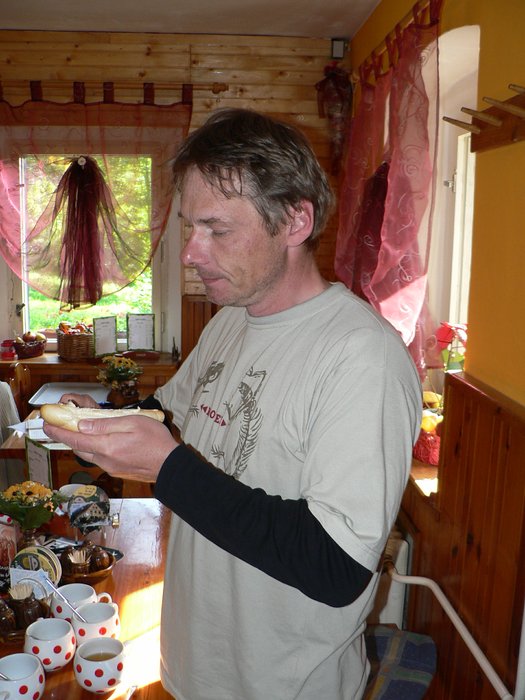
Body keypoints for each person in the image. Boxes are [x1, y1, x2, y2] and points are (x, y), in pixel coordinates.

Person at [44, 108, 422, 700]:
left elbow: (337, 567)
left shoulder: (362, 358)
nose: (190, 253)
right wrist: (98, 424)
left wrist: (166, 468)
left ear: (295, 220)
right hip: (194, 667)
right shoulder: (232, 320)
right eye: (189, 227)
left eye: (216, 230)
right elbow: (167, 418)